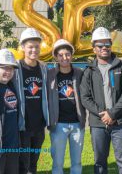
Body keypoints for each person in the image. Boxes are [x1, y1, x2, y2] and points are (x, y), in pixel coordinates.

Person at [0, 28, 49, 174]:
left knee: (32, 163)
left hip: (38, 126)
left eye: (36, 46)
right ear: (22, 47)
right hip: (21, 127)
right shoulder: (16, 67)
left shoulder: (44, 68)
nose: (34, 50)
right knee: (22, 165)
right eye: (30, 46)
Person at [80, 27, 122, 174]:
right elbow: (85, 98)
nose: (104, 48)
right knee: (99, 163)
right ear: (94, 49)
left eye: (107, 44)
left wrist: (112, 114)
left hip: (121, 122)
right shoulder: (88, 71)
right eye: (100, 45)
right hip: (98, 124)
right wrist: (103, 114)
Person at [47, 39, 86, 174]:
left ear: (72, 55)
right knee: (57, 163)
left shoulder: (80, 73)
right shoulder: (49, 75)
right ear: (56, 57)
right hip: (58, 125)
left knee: (77, 162)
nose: (65, 58)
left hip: (77, 124)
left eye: (67, 54)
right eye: (61, 55)